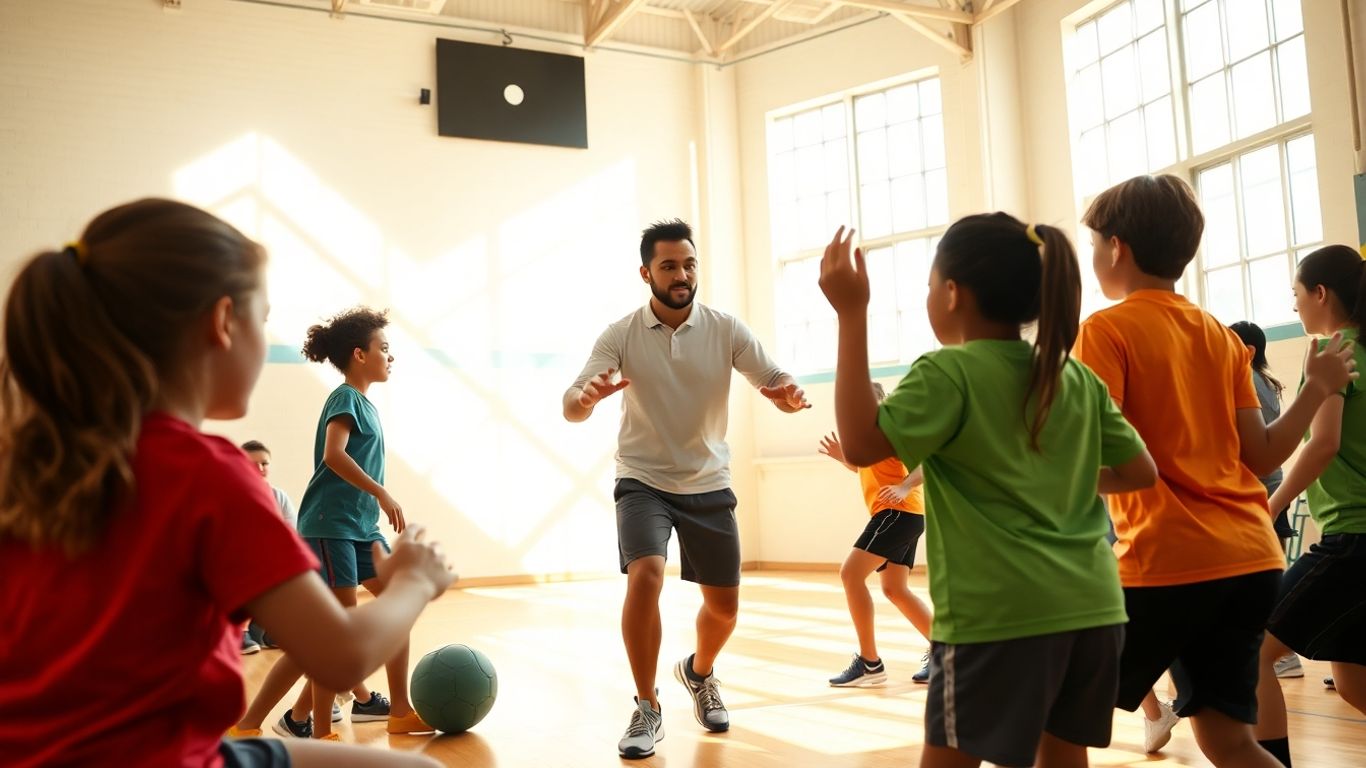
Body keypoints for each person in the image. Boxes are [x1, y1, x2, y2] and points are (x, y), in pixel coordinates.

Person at [0, 198, 450, 768]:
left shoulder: (30, 460)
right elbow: (340, 657)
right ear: (221, 324)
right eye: (262, 321)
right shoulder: (211, 476)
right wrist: (414, 579)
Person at [819, 217, 1158, 768]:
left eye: (930, 285)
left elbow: (859, 443)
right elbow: (1141, 471)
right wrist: (1055, 475)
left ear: (953, 294)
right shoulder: (1074, 378)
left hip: (997, 619)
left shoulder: (949, 373)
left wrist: (851, 314)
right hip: (1094, 612)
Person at [1072, 175, 1356, 768]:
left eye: (1094, 244)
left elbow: (1096, 459)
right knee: (1227, 739)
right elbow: (1261, 456)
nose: (1093, 257)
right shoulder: (1221, 338)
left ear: (1117, 248)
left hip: (1167, 562)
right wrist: (1315, 393)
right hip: (1249, 561)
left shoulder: (1104, 329)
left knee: (1056, 713)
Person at [562, 219, 809, 759]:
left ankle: (698, 673)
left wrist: (787, 396)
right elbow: (572, 403)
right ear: (646, 272)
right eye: (670, 265)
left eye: (689, 264)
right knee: (646, 575)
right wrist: (588, 398)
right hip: (643, 479)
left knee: (723, 609)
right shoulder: (620, 334)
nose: (682, 274)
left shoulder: (726, 329)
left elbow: (773, 380)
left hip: (708, 481)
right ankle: (647, 707)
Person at [294, 307, 433, 740]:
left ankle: (399, 711)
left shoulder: (366, 405)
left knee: (400, 605)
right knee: (342, 632)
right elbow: (333, 455)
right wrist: (381, 491)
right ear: (359, 354)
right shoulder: (345, 398)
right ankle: (319, 731)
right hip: (331, 525)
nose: (391, 357)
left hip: (361, 528)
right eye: (384, 349)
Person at [1253, 245, 1366, 767]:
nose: (1295, 307)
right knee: (1351, 680)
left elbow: (1322, 443)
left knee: (1250, 650)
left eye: (1296, 295)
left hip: (1353, 541)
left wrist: (1272, 503)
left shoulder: (1334, 350)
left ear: (1320, 294)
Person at [816, 384, 933, 687]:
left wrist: (905, 486)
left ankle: (870, 664)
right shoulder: (870, 439)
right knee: (895, 588)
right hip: (906, 516)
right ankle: (947, 653)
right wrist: (844, 458)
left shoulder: (890, 428)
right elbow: (868, 470)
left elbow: (928, 461)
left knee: (850, 574)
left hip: (897, 513)